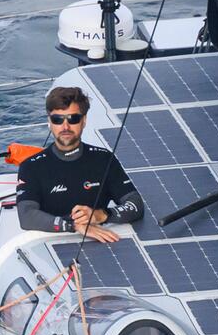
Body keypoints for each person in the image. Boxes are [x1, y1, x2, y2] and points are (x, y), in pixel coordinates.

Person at [16, 87, 143, 243]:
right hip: (50, 245)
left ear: (84, 121)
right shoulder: (31, 167)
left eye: (73, 119)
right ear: (49, 122)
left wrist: (101, 215)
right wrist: (74, 226)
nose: (65, 127)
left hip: (100, 242)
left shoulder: (103, 159)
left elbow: (136, 204)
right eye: (57, 119)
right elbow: (26, 216)